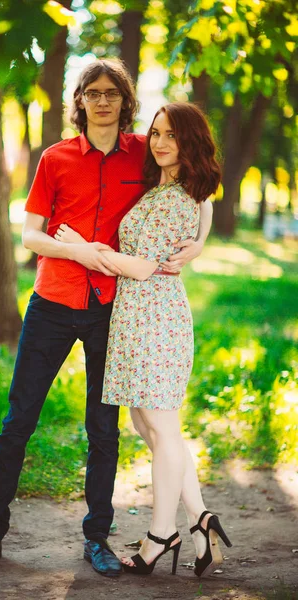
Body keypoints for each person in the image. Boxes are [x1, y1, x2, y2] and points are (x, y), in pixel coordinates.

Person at [0, 60, 213, 577]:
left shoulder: (146, 152)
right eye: (92, 93)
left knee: (104, 429)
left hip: (111, 310)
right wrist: (78, 252)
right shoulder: (54, 158)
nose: (102, 101)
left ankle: (96, 537)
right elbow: (30, 236)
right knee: (18, 421)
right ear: (80, 101)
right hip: (53, 301)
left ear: (125, 101)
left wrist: (199, 244)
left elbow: (199, 181)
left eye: (112, 93)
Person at [55, 102, 232, 578]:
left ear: (190, 141)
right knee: (146, 424)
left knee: (162, 427)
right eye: (155, 133)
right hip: (137, 318)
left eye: (171, 135)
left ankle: (160, 536)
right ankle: (201, 522)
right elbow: (206, 205)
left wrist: (81, 250)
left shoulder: (176, 198)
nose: (159, 142)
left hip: (156, 318)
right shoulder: (169, 188)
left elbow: (142, 266)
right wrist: (200, 241)